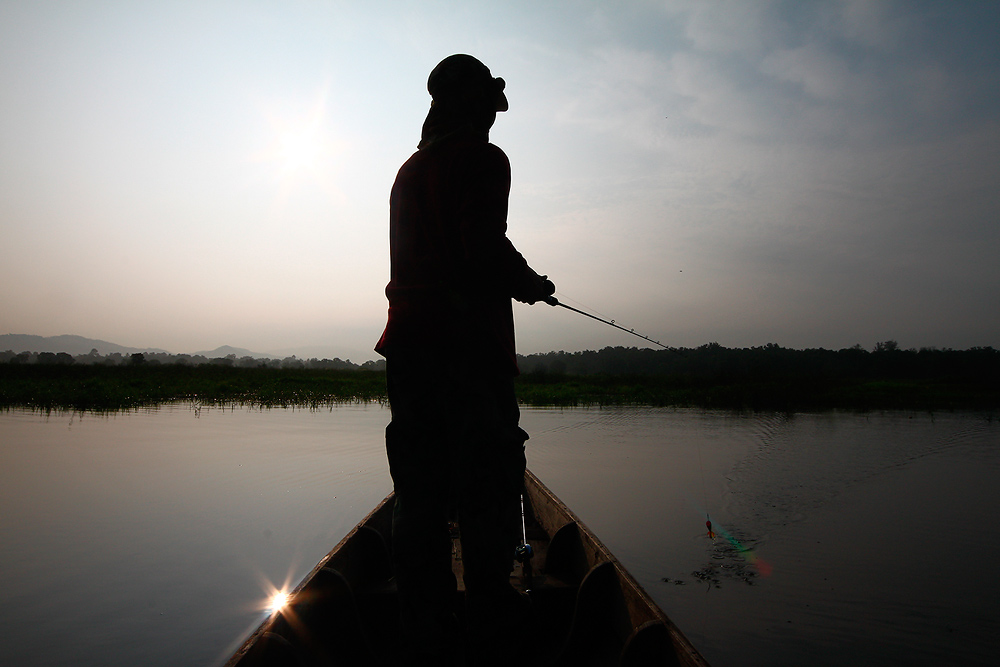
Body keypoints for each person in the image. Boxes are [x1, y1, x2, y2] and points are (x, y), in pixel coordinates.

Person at [374, 54, 555, 666]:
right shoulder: (483, 159)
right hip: (468, 348)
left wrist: (514, 275)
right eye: (487, 106)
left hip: (408, 347)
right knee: (488, 483)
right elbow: (478, 243)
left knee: (419, 487)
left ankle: (423, 620)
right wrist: (526, 280)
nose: (493, 118)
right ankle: (488, 611)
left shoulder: (406, 172)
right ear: (473, 106)